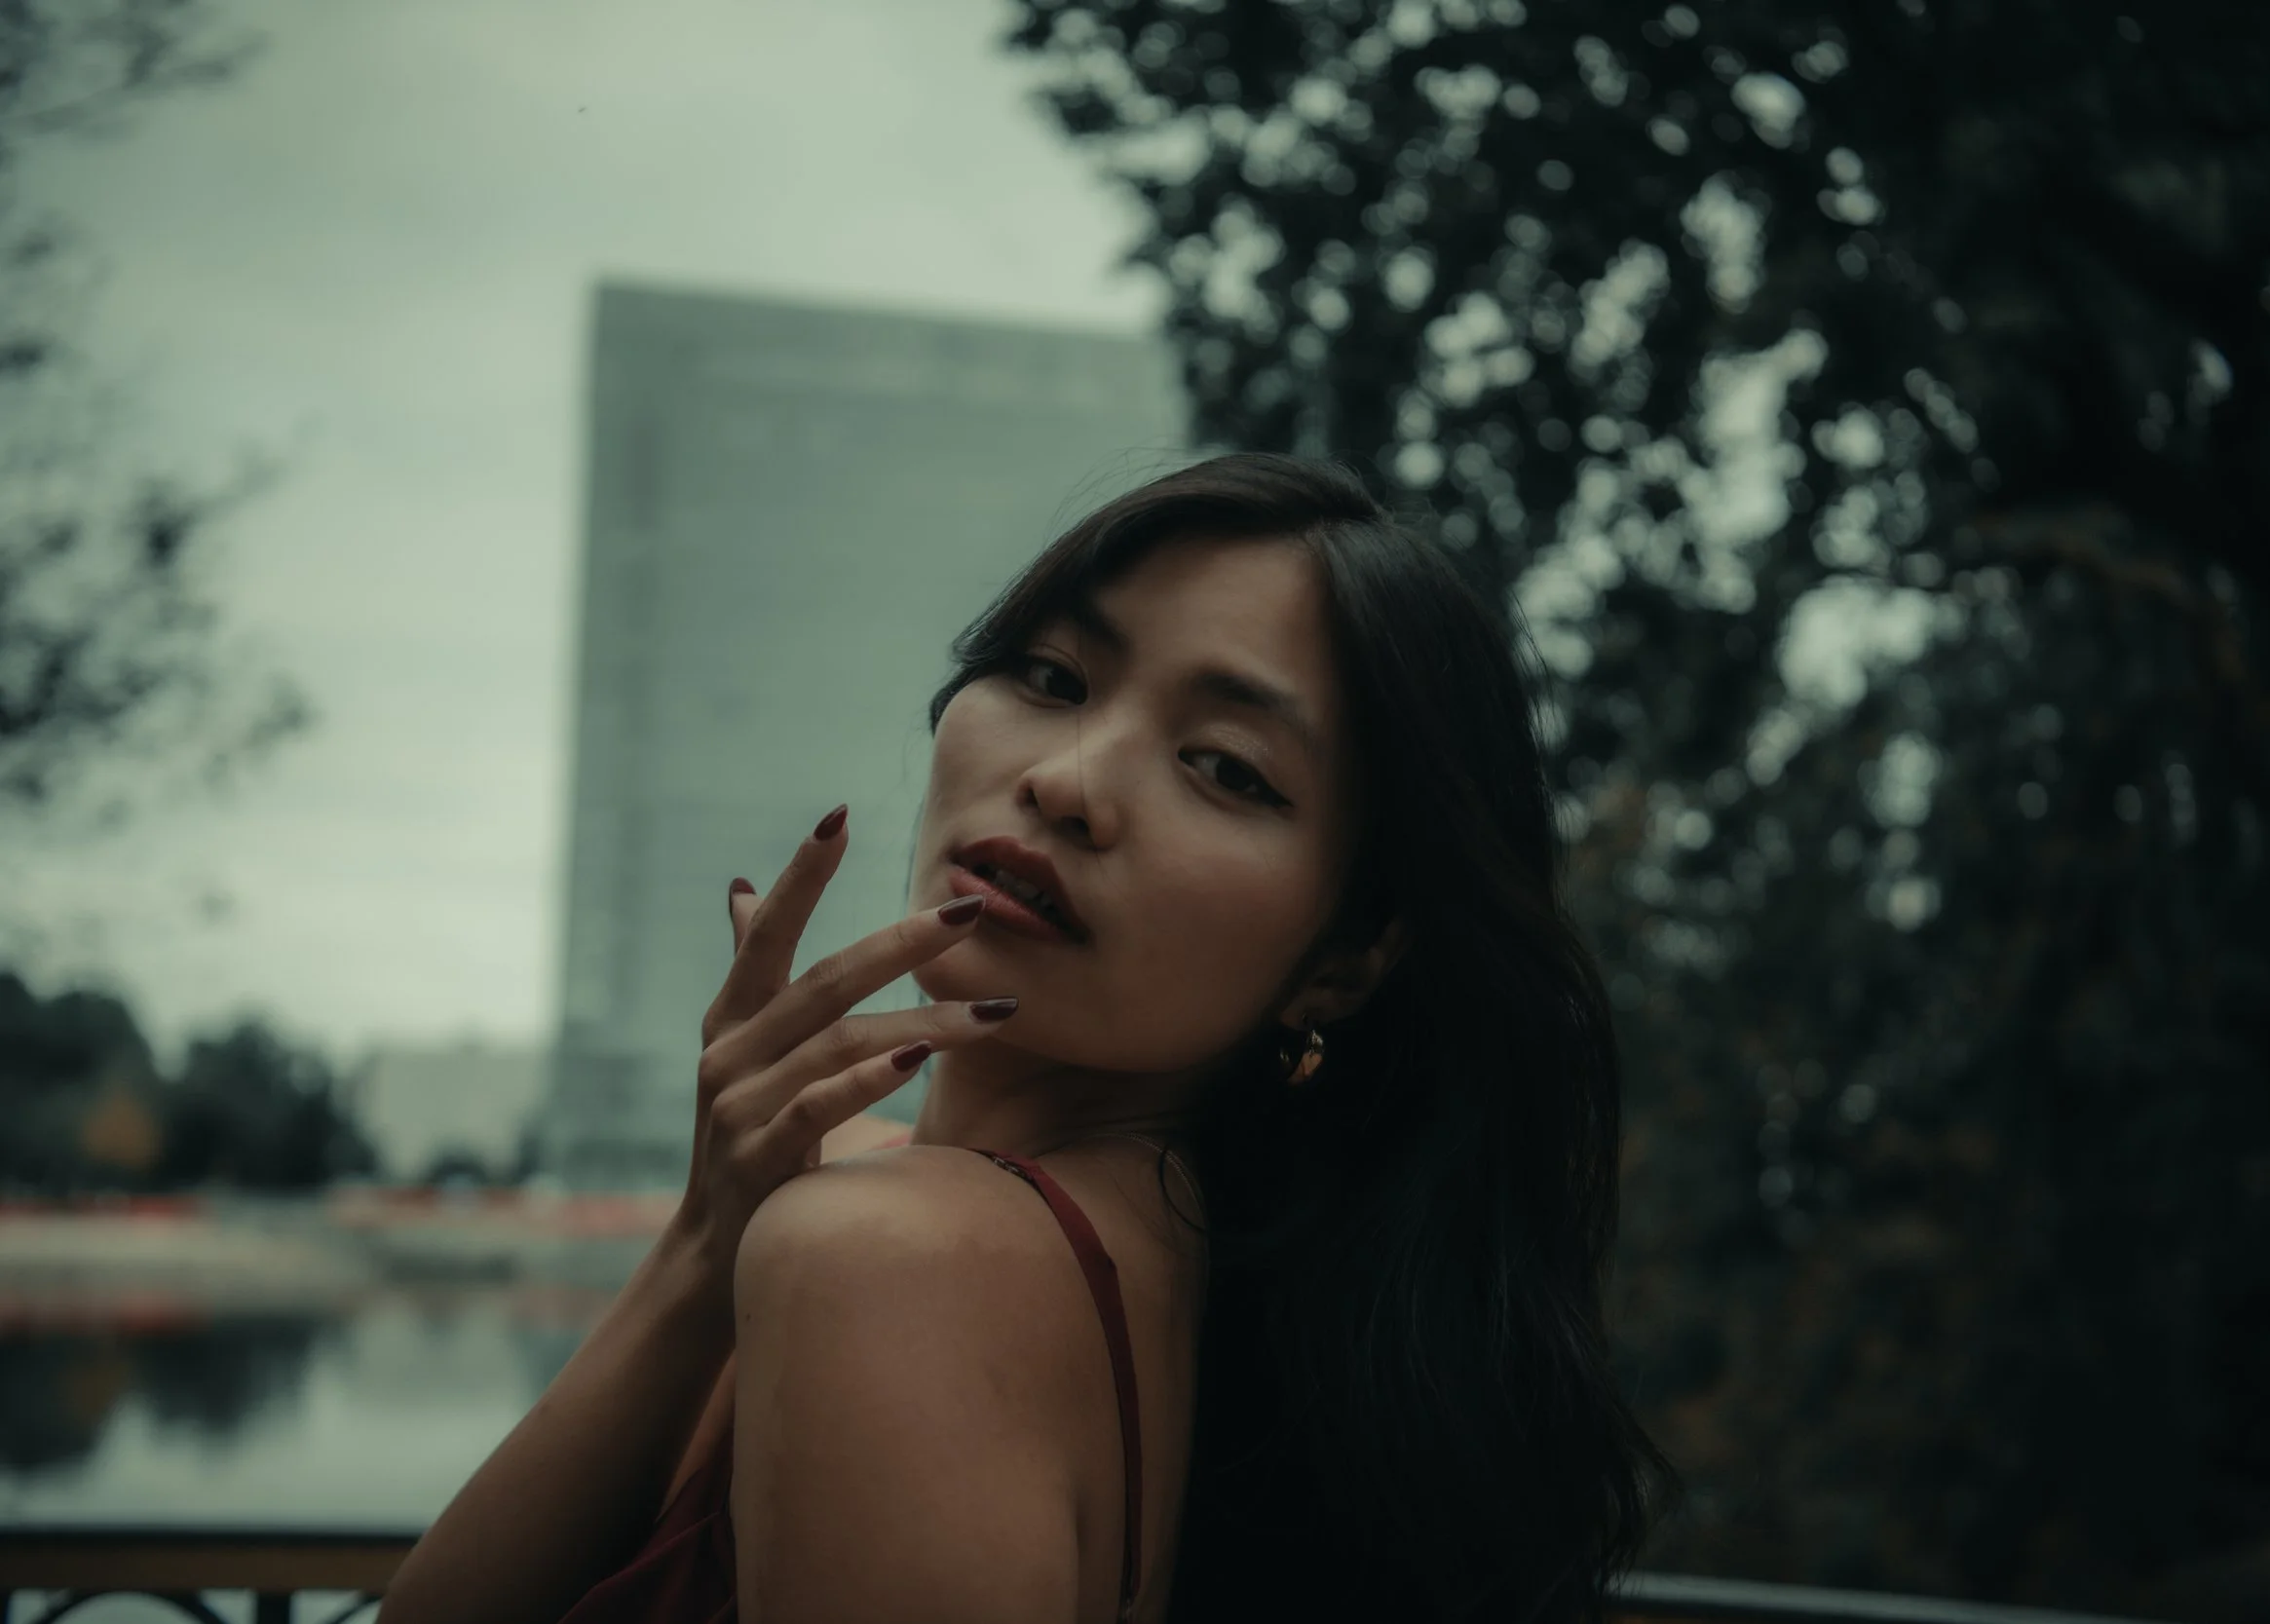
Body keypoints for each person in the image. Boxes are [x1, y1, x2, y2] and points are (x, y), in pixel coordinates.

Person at [379, 452, 1676, 1624]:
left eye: (1225, 765)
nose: (1067, 778)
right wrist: (705, 1241)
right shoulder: (1177, 1272)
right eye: (1051, 677)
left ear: (1343, 961)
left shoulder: (895, 1258)